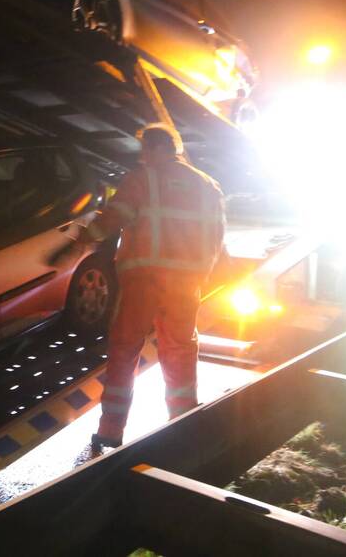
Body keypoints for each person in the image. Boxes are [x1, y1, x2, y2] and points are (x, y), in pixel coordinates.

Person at [50, 123, 225, 450]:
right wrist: (200, 275)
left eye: (145, 150)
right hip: (186, 284)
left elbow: (112, 219)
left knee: (124, 349)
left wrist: (80, 241)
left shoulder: (141, 179)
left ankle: (111, 431)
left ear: (156, 149)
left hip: (143, 279)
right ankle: (183, 420)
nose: (142, 157)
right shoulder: (208, 187)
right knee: (180, 350)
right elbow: (217, 238)